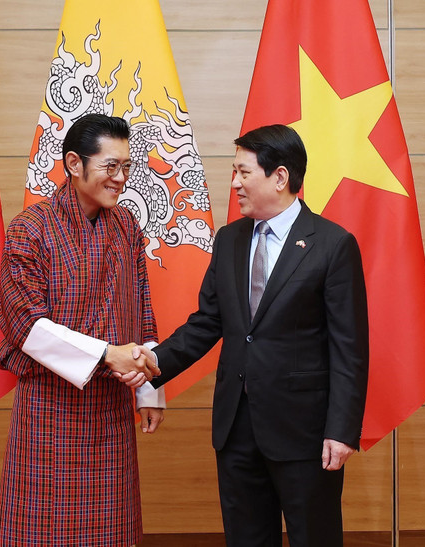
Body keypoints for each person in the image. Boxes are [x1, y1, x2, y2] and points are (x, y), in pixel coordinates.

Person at [134, 124, 369, 547]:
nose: (235, 183)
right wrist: (152, 365)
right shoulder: (229, 240)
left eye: (243, 172)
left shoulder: (332, 245)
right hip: (237, 429)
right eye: (234, 172)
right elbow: (207, 322)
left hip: (305, 433)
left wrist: (342, 429)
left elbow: (349, 348)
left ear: (280, 177)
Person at [0, 114, 165, 547]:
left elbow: (142, 309)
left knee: (112, 531)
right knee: (41, 531)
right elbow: (25, 326)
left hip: (111, 408)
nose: (121, 178)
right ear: (74, 163)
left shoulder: (126, 225)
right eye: (111, 166)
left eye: (126, 166)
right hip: (49, 409)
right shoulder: (29, 228)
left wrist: (148, 391)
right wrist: (107, 354)